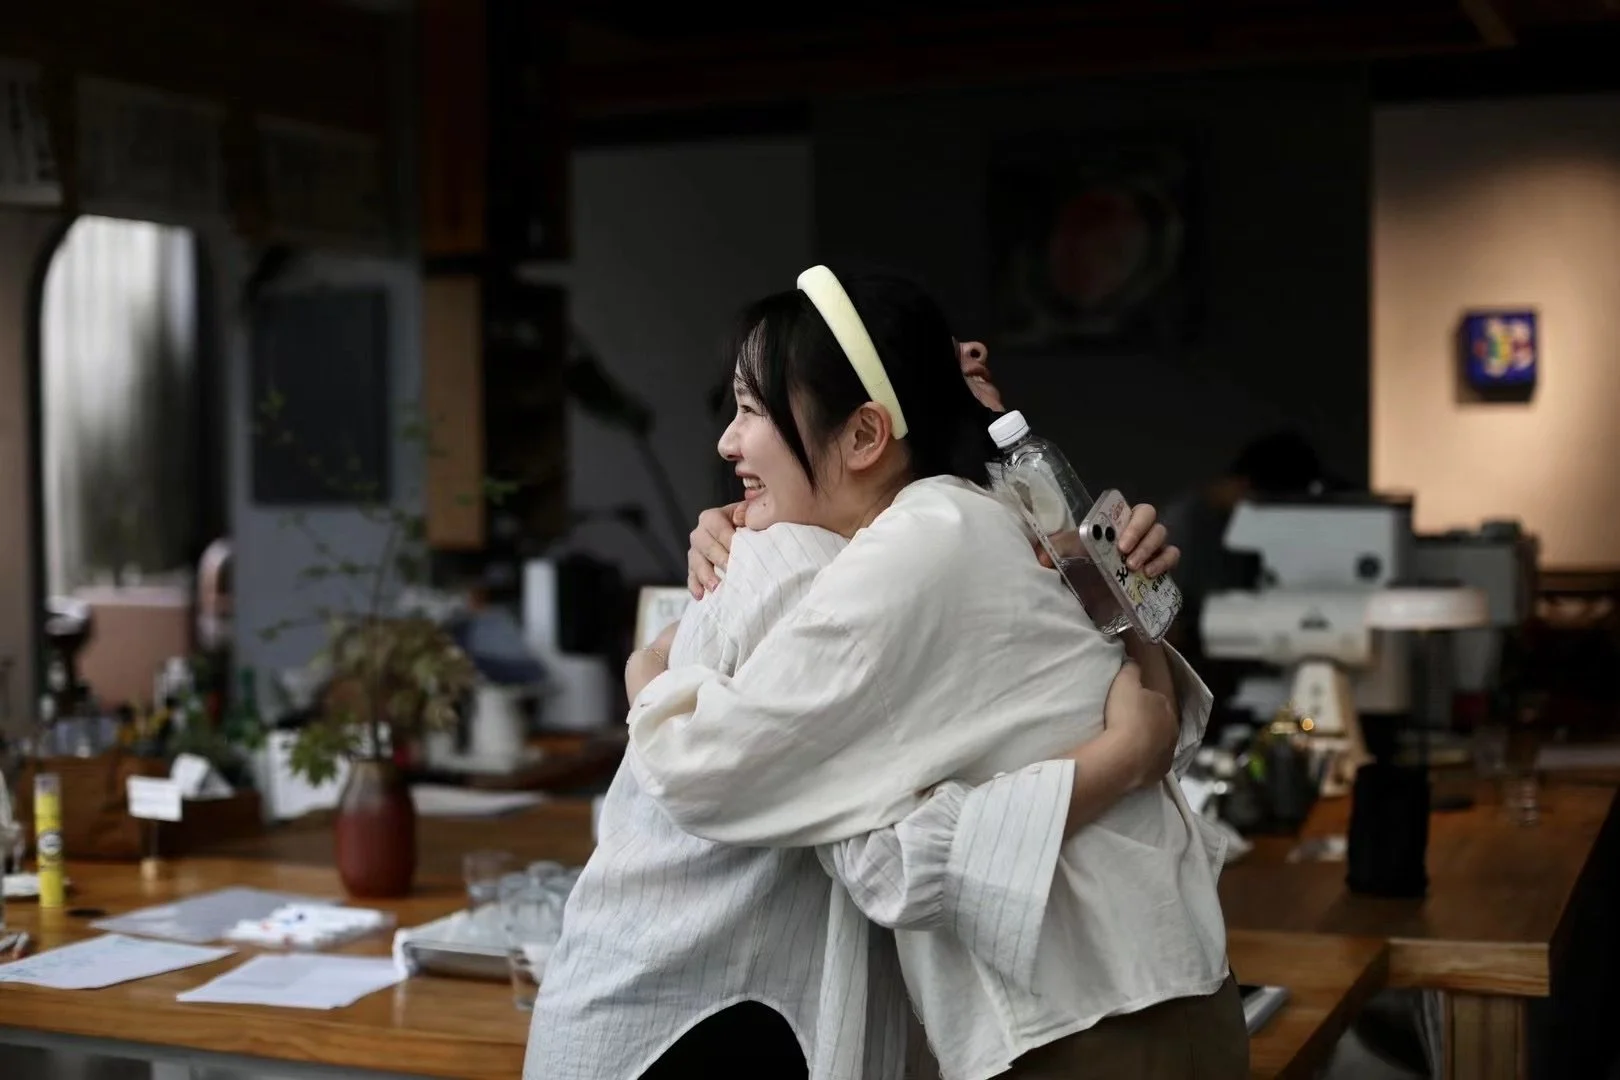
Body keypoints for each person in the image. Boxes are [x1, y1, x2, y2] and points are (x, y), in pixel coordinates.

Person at [525, 277, 1205, 1080]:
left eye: (750, 410)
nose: (727, 444)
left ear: (864, 434)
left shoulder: (914, 552)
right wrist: (1129, 736)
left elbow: (733, 784)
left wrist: (648, 669)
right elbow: (1141, 704)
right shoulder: (982, 526)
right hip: (1155, 988)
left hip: (1089, 1025)